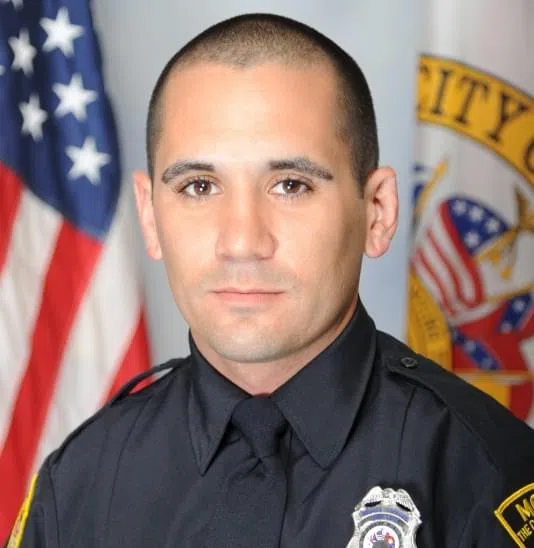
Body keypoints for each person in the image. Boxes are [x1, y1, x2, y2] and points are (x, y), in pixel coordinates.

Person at [7, 13, 534, 548]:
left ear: (377, 211)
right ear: (150, 216)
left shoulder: (484, 477)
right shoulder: (79, 484)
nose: (242, 241)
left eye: (290, 185)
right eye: (198, 186)